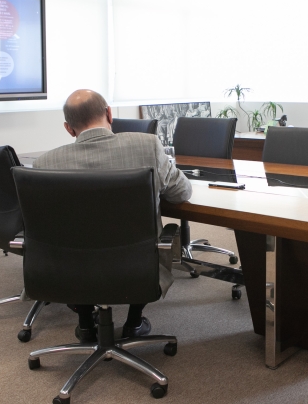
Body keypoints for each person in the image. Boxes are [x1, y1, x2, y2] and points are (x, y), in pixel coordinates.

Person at [34, 89, 192, 342]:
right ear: (109, 113)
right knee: (141, 243)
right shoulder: (147, 145)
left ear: (69, 128)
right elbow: (181, 193)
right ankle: (134, 321)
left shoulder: (45, 164)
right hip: (137, 268)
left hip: (70, 270)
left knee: (79, 243)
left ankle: (86, 324)